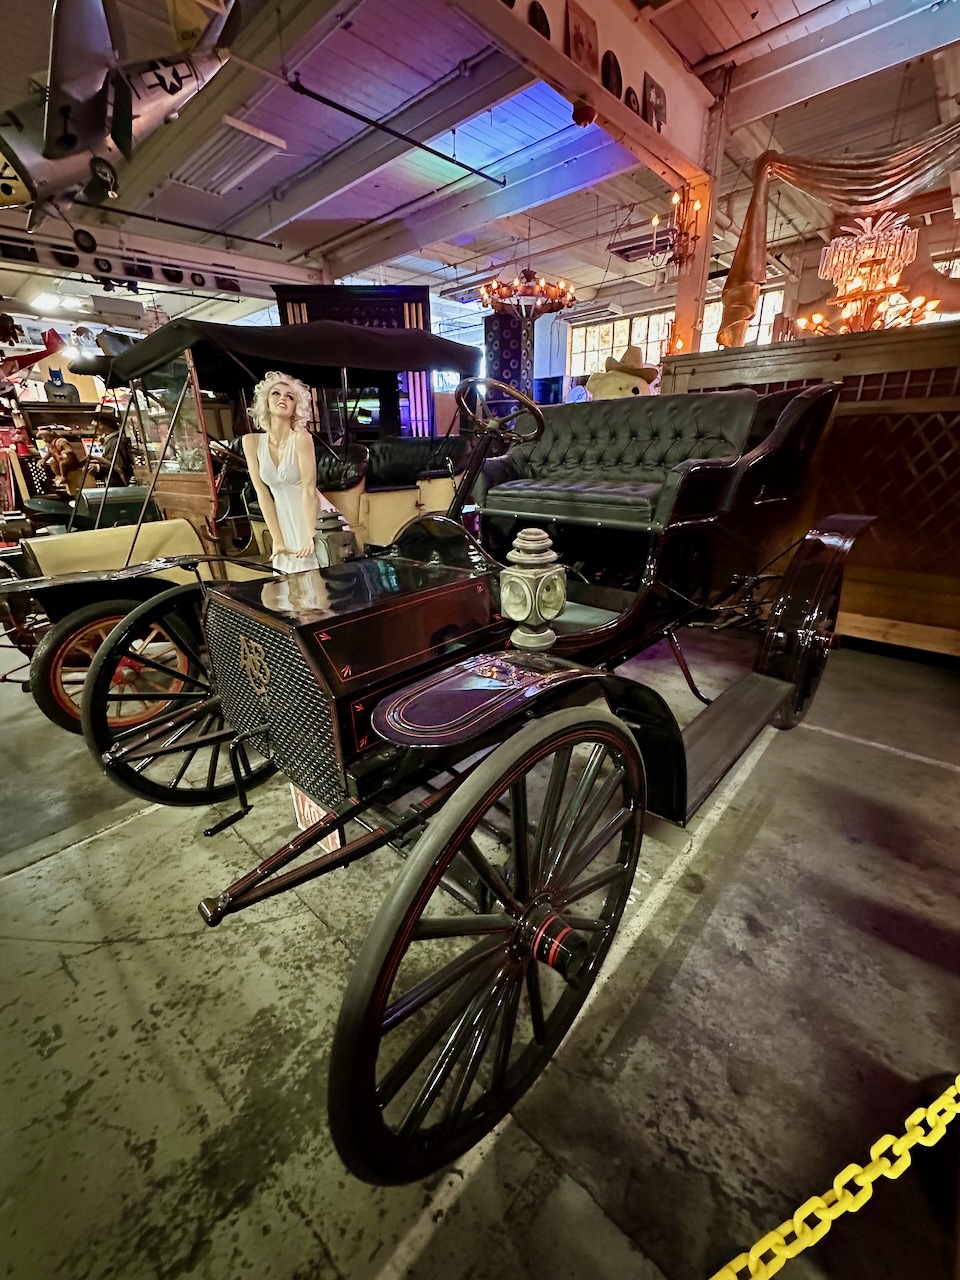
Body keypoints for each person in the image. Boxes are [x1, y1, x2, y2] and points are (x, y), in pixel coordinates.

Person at [243, 370, 334, 574]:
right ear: (266, 402)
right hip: (283, 523)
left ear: (295, 408)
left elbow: (309, 491)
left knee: (317, 587)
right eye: (276, 393)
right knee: (287, 589)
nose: (282, 398)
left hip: (312, 518)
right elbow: (262, 494)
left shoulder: (301, 439)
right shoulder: (251, 442)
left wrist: (311, 535)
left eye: (289, 396)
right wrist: (277, 540)